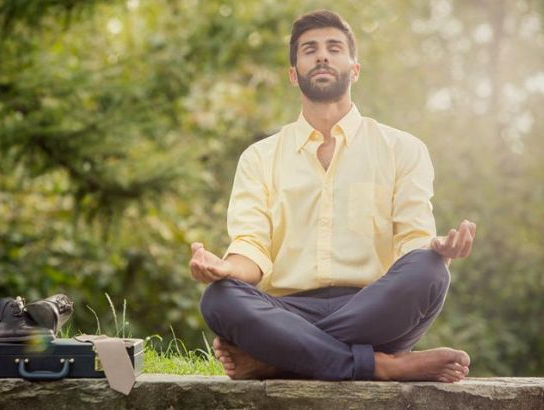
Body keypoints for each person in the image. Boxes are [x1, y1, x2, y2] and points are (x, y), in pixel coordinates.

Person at [188, 9, 476, 383]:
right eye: (309, 50)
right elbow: (251, 249)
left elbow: (413, 243)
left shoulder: (403, 149)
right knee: (219, 298)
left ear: (354, 69)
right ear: (294, 75)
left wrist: (436, 248)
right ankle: (380, 365)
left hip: (374, 308)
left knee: (430, 270)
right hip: (287, 311)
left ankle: (279, 360)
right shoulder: (258, 157)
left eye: (334, 48)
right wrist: (226, 269)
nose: (322, 55)